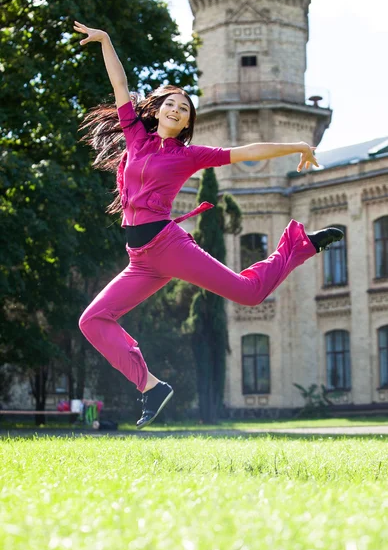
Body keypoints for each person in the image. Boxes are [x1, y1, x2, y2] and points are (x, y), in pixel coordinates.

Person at [74, 21, 343, 429]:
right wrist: (107, 42)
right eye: (171, 104)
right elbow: (120, 84)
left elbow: (247, 150)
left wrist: (298, 145)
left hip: (167, 246)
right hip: (140, 259)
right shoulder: (135, 137)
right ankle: (150, 386)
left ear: (186, 124)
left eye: (184, 109)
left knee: (249, 294)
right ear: (158, 109)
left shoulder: (190, 155)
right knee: (93, 320)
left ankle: (300, 245)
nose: (176, 110)